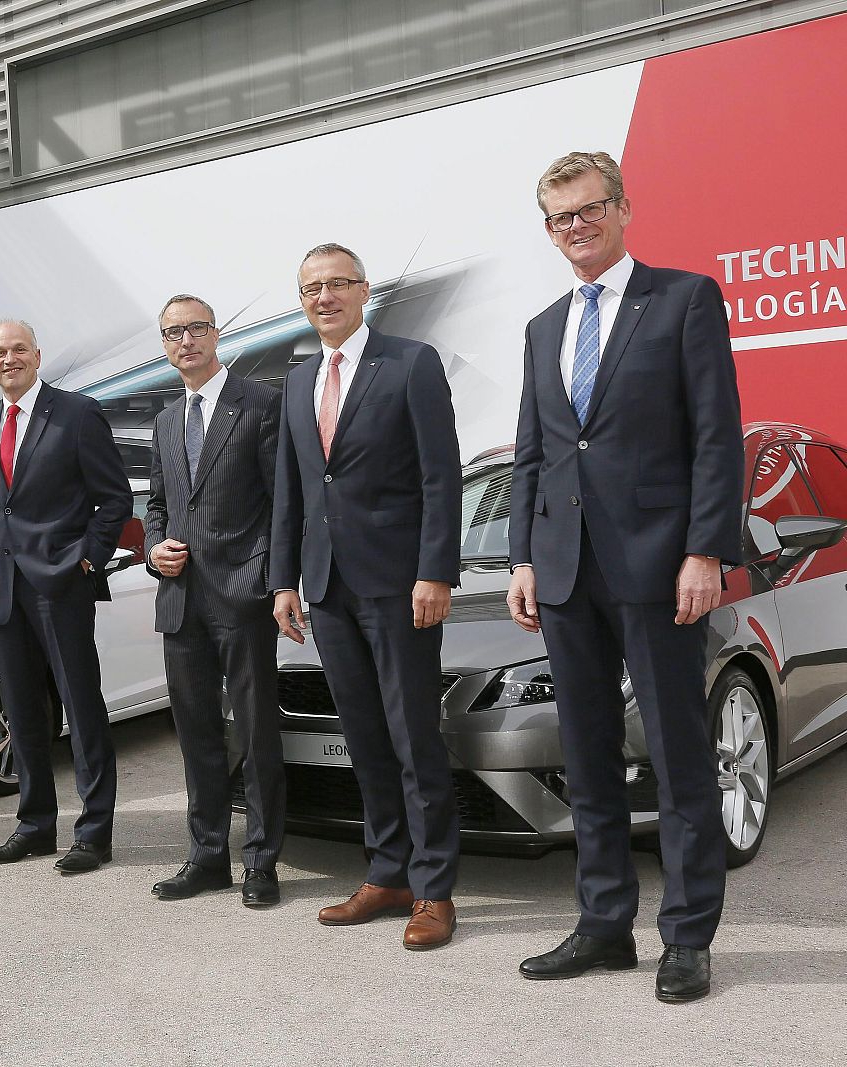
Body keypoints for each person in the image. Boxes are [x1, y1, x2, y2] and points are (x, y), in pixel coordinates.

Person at [507, 151, 742, 1002]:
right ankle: (605, 925)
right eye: (560, 215)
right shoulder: (542, 327)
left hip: (658, 568)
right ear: (548, 229)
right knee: (589, 756)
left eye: (589, 208)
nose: (576, 225)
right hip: (565, 574)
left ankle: (687, 935)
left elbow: (717, 435)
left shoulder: (682, 300)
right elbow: (533, 452)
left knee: (679, 755)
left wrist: (705, 549)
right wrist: (523, 558)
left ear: (622, 208)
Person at [270, 243, 462, 949]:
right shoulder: (296, 382)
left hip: (399, 584)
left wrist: (435, 569)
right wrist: (283, 579)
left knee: (414, 736)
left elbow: (441, 476)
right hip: (326, 588)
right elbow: (293, 488)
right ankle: (388, 872)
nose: (324, 297)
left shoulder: (410, 363)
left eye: (336, 284)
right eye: (311, 288)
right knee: (363, 739)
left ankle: (435, 887)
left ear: (363, 290)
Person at [0, 319, 133, 873]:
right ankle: (35, 825)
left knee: (81, 709)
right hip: (3, 593)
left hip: (61, 587)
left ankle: (93, 832)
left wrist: (86, 561)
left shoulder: (77, 414)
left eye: (17, 350)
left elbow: (114, 500)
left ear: (37, 356)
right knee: (23, 714)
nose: (8, 360)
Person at [143, 294, 286, 907]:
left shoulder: (259, 402)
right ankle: (207, 856)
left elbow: (283, 501)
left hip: (243, 594)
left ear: (216, 334)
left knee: (254, 733)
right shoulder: (168, 418)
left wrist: (274, 578)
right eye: (174, 333)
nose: (186, 342)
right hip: (182, 598)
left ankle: (261, 861)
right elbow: (156, 506)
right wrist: (154, 550)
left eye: (196, 329)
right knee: (196, 731)